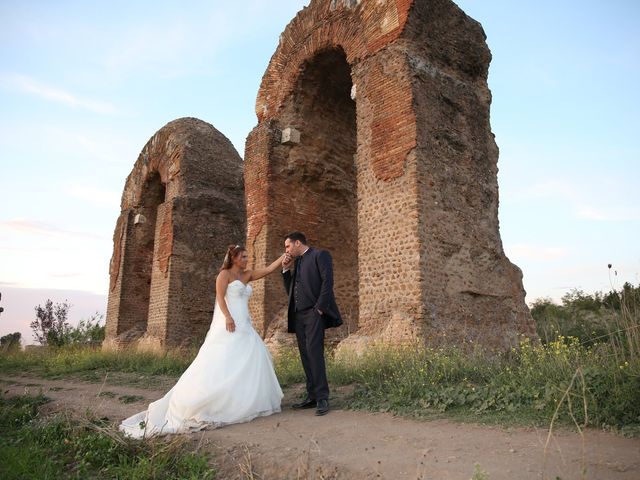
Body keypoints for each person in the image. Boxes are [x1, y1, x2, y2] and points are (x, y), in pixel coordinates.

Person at [120, 245, 285, 438]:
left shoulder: (247, 275)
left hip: (245, 324)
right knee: (222, 359)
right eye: (243, 256)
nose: (247, 259)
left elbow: (267, 270)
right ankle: (209, 400)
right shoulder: (224, 275)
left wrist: (282, 257)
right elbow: (220, 297)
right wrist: (228, 317)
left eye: (247, 256)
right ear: (234, 258)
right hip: (231, 321)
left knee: (253, 355)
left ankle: (244, 400)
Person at [282, 232, 342, 416]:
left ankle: (323, 397)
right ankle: (312, 396)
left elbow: (327, 282)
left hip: (314, 313)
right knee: (305, 355)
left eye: (288, 246)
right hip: (299, 315)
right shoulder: (297, 262)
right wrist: (285, 270)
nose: (286, 250)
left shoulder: (319, 255)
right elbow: (291, 290)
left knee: (315, 354)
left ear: (297, 243)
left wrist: (319, 309)